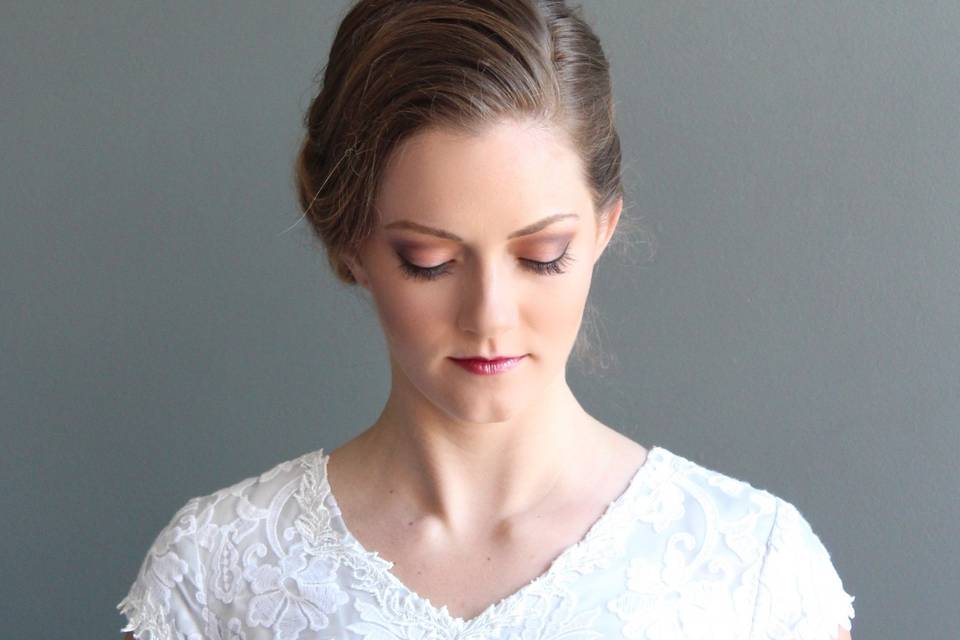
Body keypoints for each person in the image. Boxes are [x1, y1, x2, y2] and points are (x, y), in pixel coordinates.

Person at [117, 1, 856, 638]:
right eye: (431, 261)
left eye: (541, 256)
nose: (489, 315)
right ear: (351, 244)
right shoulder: (217, 572)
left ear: (602, 231)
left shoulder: (753, 570)